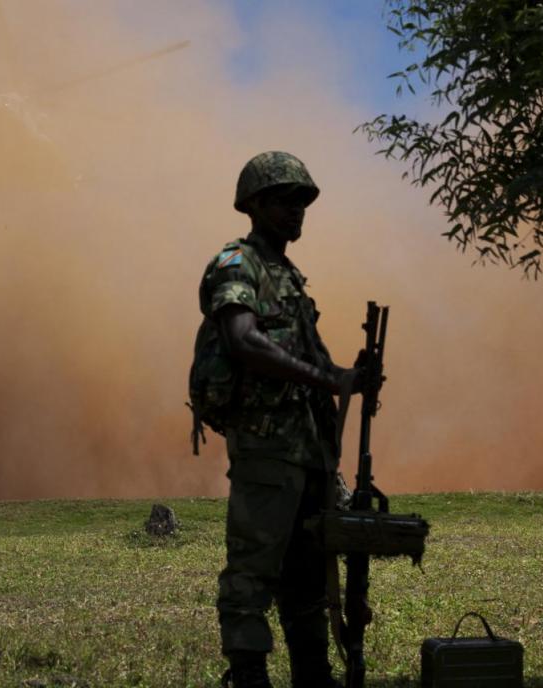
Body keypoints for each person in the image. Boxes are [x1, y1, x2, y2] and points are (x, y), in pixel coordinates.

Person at [192, 151, 361, 688]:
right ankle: (249, 677)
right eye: (284, 200)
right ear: (254, 205)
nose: (296, 210)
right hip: (267, 448)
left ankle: (313, 675)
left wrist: (347, 378)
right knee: (253, 571)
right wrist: (328, 380)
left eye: (302, 200)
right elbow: (243, 341)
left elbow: (312, 363)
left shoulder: (287, 275)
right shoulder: (238, 264)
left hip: (308, 450)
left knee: (308, 577)